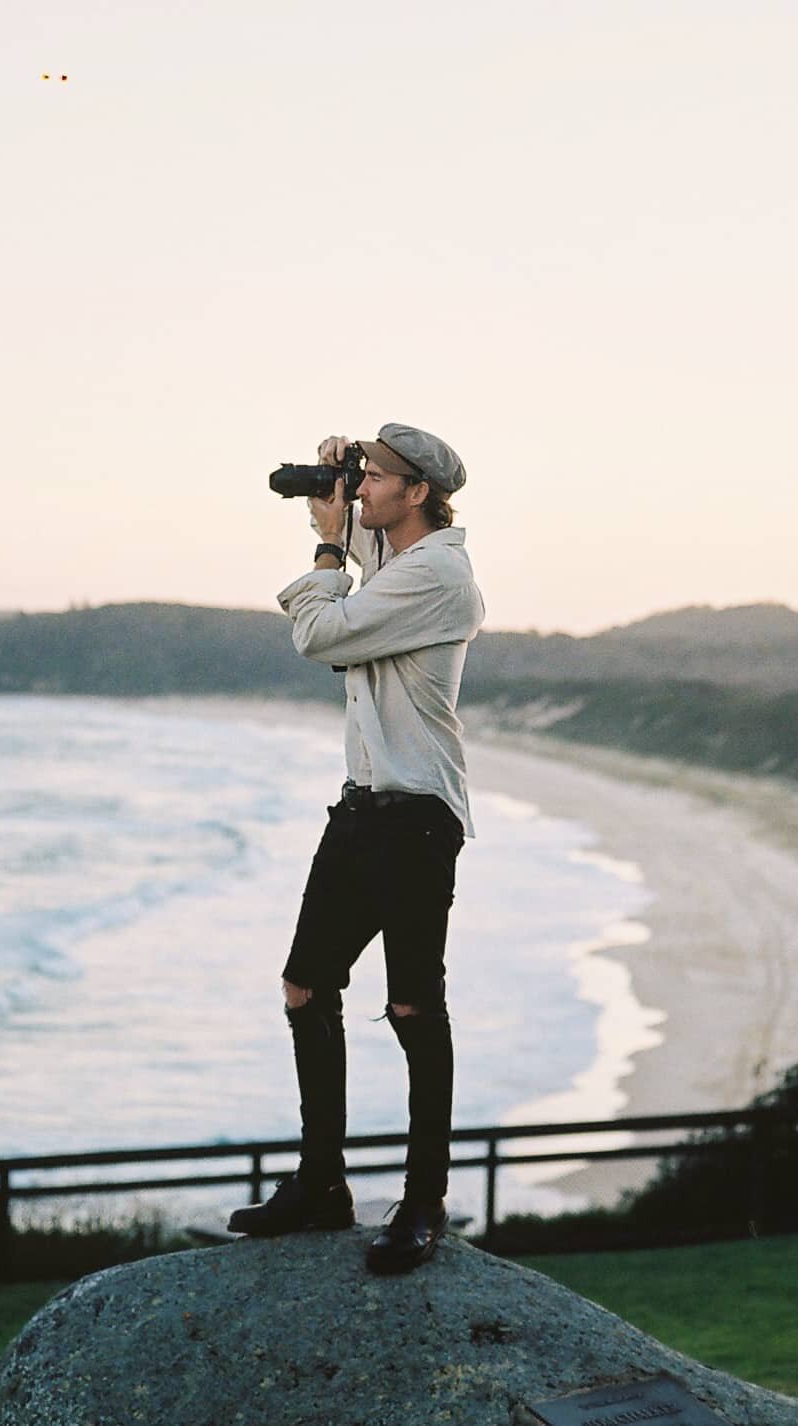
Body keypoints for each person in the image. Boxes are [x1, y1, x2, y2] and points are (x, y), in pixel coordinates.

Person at [227, 422, 485, 1274]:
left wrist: (328, 550)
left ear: (418, 493)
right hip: (362, 810)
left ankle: (424, 1201)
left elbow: (321, 636)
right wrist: (337, 477)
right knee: (307, 987)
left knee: (412, 1007)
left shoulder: (440, 575)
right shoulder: (397, 558)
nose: (363, 487)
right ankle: (322, 1183)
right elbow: (362, 566)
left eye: (377, 477)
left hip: (416, 820)